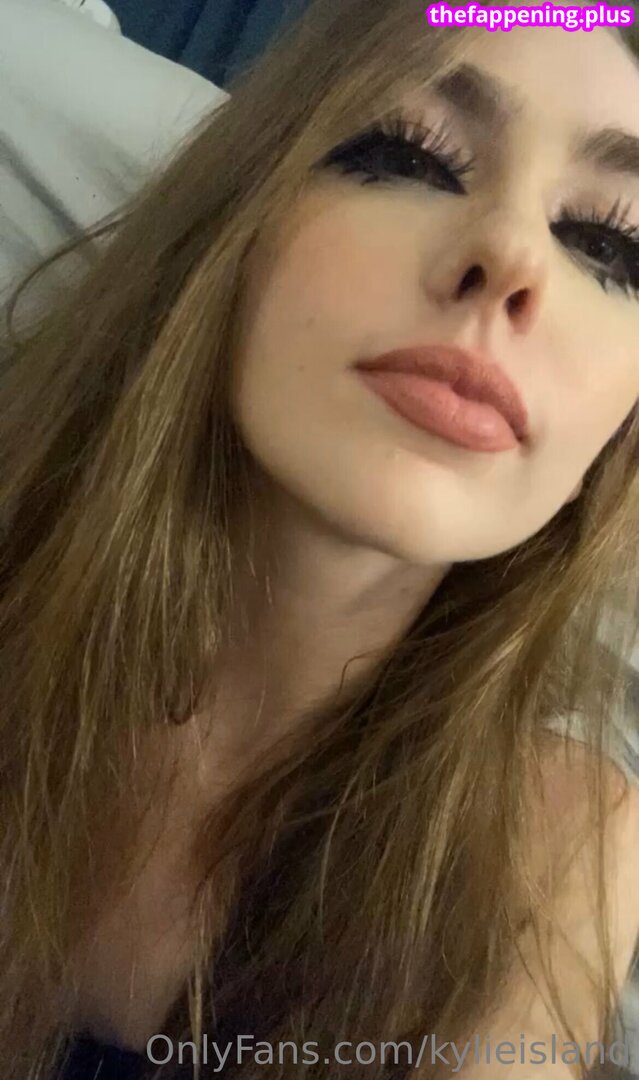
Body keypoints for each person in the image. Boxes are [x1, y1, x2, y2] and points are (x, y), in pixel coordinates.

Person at [1, 0, 639, 1077]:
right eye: (410, 153)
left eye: (610, 244)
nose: (511, 255)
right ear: (232, 233)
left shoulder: (557, 843)